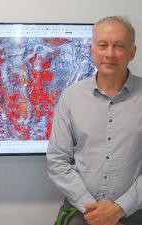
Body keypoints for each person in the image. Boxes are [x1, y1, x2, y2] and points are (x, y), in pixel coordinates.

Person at [47, 15, 142, 225]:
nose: (109, 53)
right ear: (92, 50)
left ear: (132, 52)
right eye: (102, 45)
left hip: (135, 210)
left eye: (119, 46)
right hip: (82, 209)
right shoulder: (71, 97)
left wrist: (120, 208)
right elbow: (57, 160)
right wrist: (94, 212)